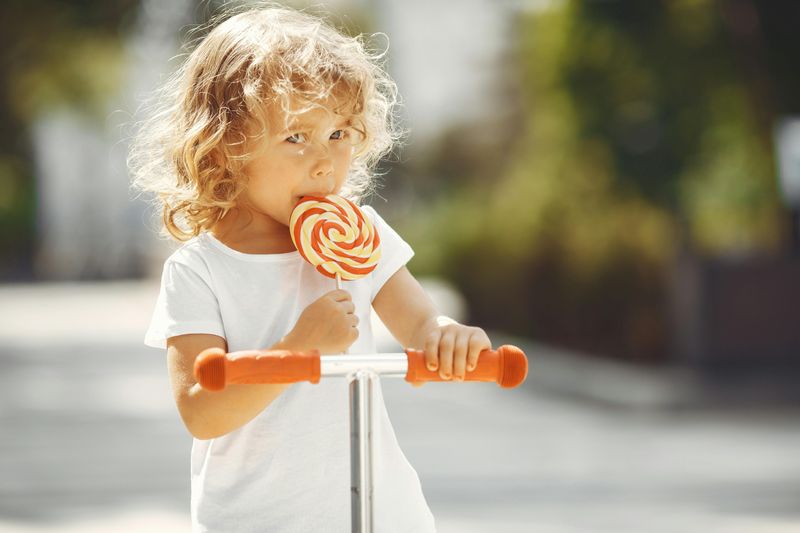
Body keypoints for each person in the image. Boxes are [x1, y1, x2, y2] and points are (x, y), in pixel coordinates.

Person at [129, 3, 492, 532]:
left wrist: (448, 338)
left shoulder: (359, 237)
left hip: (376, 511)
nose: (325, 163)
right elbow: (201, 412)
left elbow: (421, 326)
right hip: (257, 521)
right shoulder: (199, 270)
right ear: (225, 146)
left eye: (339, 134)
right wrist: (297, 350)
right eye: (296, 137)